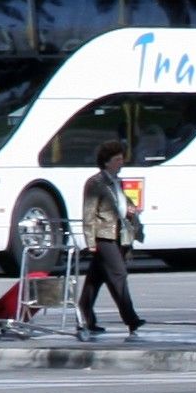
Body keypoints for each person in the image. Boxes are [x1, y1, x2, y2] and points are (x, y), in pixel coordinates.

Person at [77, 140, 145, 340]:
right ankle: (131, 319)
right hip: (103, 236)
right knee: (119, 275)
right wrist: (90, 241)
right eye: (117, 159)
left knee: (94, 281)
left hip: (118, 235)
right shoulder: (95, 183)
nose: (121, 162)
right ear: (106, 162)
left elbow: (122, 203)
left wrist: (131, 209)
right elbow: (88, 213)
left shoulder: (117, 181)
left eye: (121, 159)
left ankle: (85, 318)